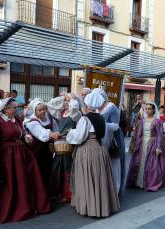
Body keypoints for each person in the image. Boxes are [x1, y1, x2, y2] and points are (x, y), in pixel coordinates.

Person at [0, 98, 51, 223]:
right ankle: (11, 209)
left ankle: (27, 206)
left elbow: (21, 133)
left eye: (16, 107)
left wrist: (26, 137)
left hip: (21, 156)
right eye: (14, 107)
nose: (16, 109)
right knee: (10, 183)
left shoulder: (16, 119)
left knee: (24, 182)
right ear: (6, 109)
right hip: (7, 158)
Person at [66, 89, 120, 217]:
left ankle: (89, 207)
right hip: (100, 151)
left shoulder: (85, 119)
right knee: (99, 179)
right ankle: (101, 206)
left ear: (85, 105)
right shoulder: (101, 119)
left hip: (87, 151)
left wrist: (70, 133)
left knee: (87, 179)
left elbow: (79, 137)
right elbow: (104, 136)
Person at [127, 101, 165, 191]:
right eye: (146, 109)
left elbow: (160, 135)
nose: (147, 110)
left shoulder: (157, 121)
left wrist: (158, 147)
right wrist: (136, 144)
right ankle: (138, 182)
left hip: (152, 143)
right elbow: (138, 134)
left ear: (153, 110)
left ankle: (149, 183)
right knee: (138, 162)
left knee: (151, 164)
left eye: (149, 109)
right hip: (142, 144)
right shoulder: (142, 121)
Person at [48, 94, 81, 203]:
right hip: (59, 144)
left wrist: (72, 101)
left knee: (67, 169)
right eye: (65, 100)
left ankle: (68, 194)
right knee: (58, 169)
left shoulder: (75, 113)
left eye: (68, 100)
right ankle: (58, 192)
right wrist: (61, 98)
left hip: (68, 143)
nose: (66, 102)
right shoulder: (62, 112)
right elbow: (51, 105)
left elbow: (75, 107)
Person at [24, 98, 61, 191]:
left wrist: (56, 136)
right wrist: (51, 134)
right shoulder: (32, 122)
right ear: (34, 111)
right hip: (36, 151)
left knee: (47, 170)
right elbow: (41, 132)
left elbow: (56, 129)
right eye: (40, 110)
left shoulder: (49, 118)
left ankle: (47, 191)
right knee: (38, 171)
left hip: (47, 150)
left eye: (44, 109)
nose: (43, 111)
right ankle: (38, 192)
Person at [99, 88, 126, 195]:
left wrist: (100, 124)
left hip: (114, 138)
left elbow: (115, 126)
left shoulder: (111, 106)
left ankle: (115, 190)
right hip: (102, 138)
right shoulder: (97, 108)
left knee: (114, 164)